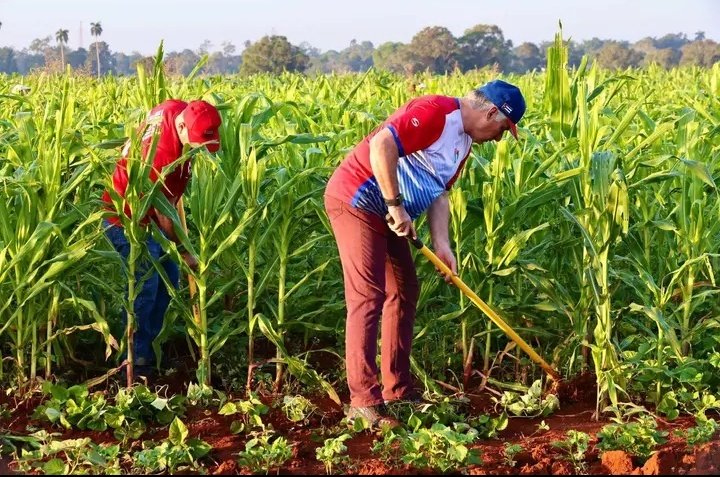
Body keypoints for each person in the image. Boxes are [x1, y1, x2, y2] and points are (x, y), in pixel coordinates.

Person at [323, 80, 526, 427]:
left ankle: (398, 392)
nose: (500, 137)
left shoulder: (463, 145)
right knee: (368, 296)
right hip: (357, 200)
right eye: (503, 129)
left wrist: (442, 244)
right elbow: (382, 143)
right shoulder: (436, 112)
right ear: (491, 111)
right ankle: (363, 402)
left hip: (388, 213)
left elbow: (439, 194)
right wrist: (395, 204)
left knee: (404, 291)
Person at [102, 99, 222, 375]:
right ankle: (132, 362)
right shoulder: (162, 157)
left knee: (168, 278)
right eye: (193, 143)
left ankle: (150, 349)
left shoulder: (175, 109)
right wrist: (184, 251)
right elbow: (164, 212)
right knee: (146, 284)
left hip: (152, 214)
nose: (196, 150)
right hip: (126, 217)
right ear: (181, 126)